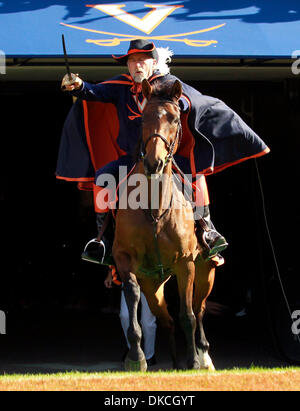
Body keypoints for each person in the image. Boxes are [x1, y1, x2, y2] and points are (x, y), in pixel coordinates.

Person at [58, 39, 269, 265]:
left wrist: (179, 106)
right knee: (102, 178)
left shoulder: (168, 84)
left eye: (142, 61)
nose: (137, 65)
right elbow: (94, 92)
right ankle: (103, 241)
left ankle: (207, 231)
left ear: (153, 63)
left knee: (197, 176)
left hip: (169, 158)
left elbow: (191, 100)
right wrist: (78, 85)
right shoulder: (120, 87)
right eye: (132, 61)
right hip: (132, 159)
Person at [104, 270, 157, 366]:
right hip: (129, 277)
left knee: (147, 321)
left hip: (149, 277)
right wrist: (110, 274)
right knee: (124, 315)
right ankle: (132, 348)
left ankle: (150, 355)